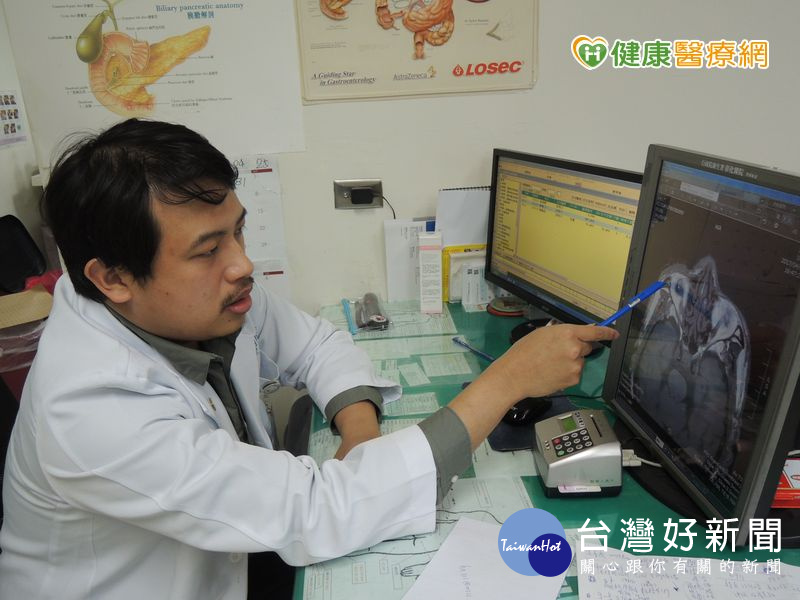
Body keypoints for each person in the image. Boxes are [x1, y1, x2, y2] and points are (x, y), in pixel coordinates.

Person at [0, 119, 618, 599]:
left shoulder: (195, 303)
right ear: (112, 278)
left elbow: (315, 344)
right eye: (208, 250)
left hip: (234, 559)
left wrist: (360, 432)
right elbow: (316, 512)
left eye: (238, 231)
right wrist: (506, 381)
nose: (242, 264)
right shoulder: (91, 406)